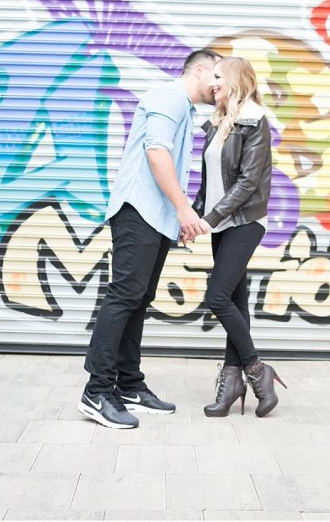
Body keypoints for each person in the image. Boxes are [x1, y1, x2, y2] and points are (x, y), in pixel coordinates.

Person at [78, 48, 221, 429]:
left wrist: (177, 215)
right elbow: (156, 153)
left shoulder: (184, 108)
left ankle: (128, 385)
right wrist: (184, 209)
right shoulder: (168, 97)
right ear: (200, 70)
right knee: (124, 296)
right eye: (217, 76)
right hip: (137, 210)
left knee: (139, 299)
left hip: (155, 217)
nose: (220, 85)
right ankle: (96, 391)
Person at [190, 56, 287, 418]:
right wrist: (195, 217)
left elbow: (248, 182)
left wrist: (211, 218)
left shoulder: (254, 120)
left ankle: (258, 370)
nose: (212, 83)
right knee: (236, 301)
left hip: (244, 221)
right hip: (221, 223)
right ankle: (232, 381)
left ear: (235, 80)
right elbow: (210, 183)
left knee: (217, 296)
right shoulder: (217, 123)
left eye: (218, 76)